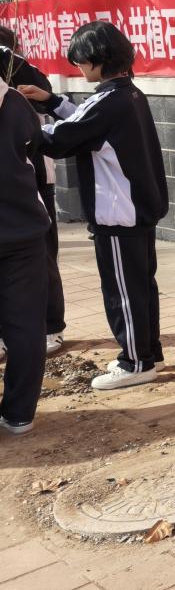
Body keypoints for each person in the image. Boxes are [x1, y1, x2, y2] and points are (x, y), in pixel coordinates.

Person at [19, 21, 169, 391]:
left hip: (118, 213)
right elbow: (84, 123)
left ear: (99, 59)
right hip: (138, 209)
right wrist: (50, 101)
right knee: (141, 286)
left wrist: (15, 118)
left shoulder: (109, 102)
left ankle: (135, 362)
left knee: (123, 290)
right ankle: (148, 353)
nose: (79, 68)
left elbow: (59, 139)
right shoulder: (127, 94)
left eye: (82, 61)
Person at [0, 28, 66, 357]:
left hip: (35, 180)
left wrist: (9, 58)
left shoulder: (20, 79)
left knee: (43, 254)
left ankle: (52, 326)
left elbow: (45, 92)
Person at [0, 75, 51, 435]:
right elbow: (32, 155)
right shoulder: (17, 105)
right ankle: (20, 415)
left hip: (21, 232)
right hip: (21, 231)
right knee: (26, 325)